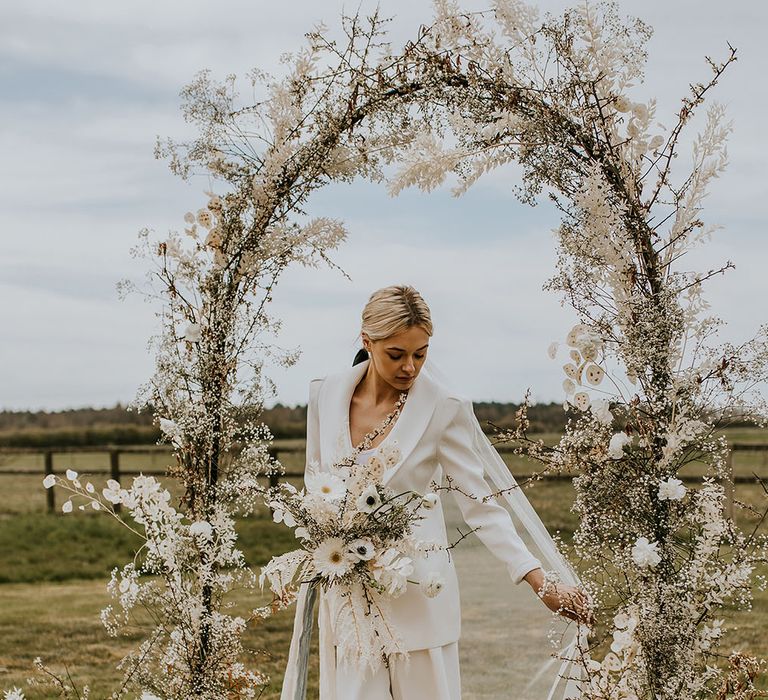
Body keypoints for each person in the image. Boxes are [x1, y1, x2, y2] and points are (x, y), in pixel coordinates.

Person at [281, 284, 593, 700]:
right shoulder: (325, 394)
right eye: (396, 354)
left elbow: (482, 507)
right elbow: (316, 486)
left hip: (421, 599)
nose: (410, 367)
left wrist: (540, 580)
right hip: (348, 605)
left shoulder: (444, 407)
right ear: (366, 340)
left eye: (421, 353)